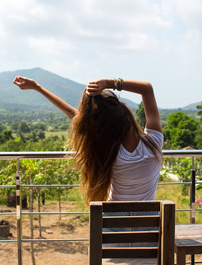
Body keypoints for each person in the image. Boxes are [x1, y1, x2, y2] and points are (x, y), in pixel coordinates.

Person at [13, 76, 163, 205]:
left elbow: (72, 113)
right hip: (148, 229)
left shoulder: (107, 153)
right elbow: (147, 89)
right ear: (127, 117)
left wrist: (37, 87)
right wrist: (108, 83)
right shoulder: (154, 143)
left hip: (113, 225)